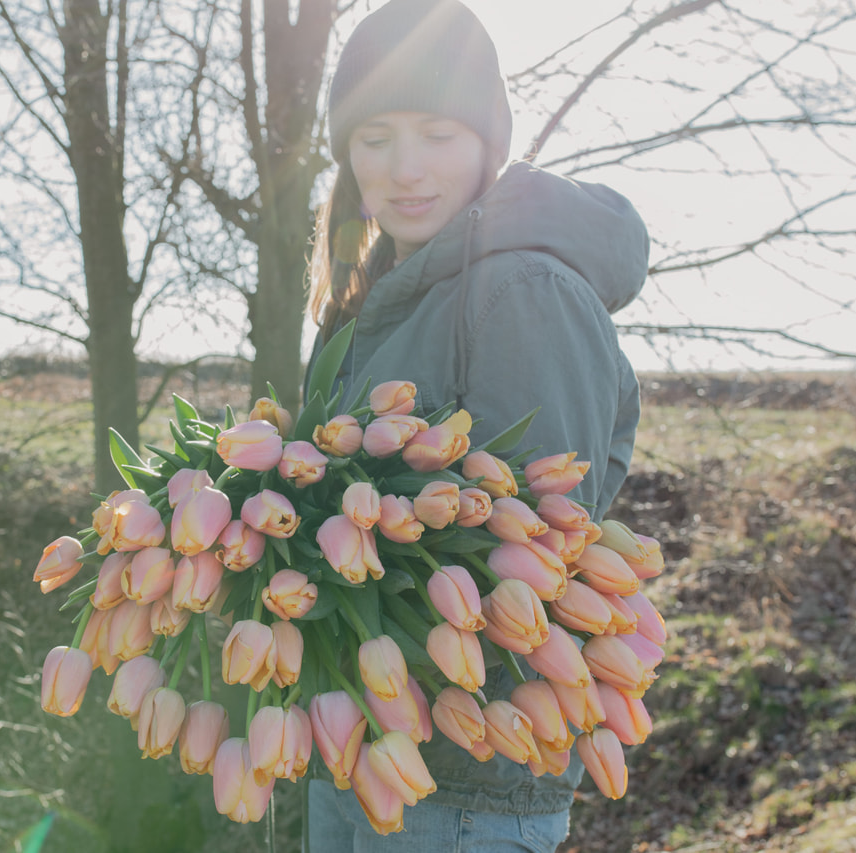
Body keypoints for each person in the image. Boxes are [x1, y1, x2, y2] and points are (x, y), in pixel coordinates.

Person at [303, 0, 650, 849]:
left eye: (438, 133)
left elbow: (539, 541)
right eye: (375, 137)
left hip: (466, 775)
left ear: (490, 141)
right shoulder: (371, 299)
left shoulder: (521, 290)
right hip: (359, 736)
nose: (405, 167)